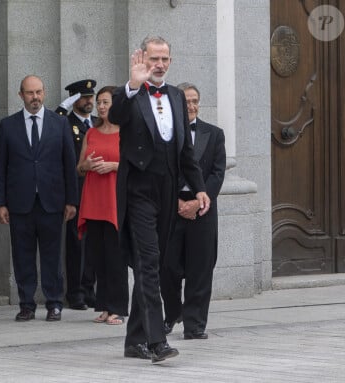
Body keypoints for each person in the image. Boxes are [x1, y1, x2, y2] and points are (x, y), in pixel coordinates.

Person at [108, 36, 211, 363]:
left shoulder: (178, 96)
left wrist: (199, 188)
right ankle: (156, 340)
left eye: (165, 59)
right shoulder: (128, 94)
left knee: (151, 266)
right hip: (138, 191)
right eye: (154, 58)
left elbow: (185, 152)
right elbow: (116, 117)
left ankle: (133, 341)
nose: (160, 64)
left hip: (167, 190)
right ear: (143, 59)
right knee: (149, 263)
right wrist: (132, 86)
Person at [0, 75, 78, 322]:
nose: (35, 98)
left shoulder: (59, 124)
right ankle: (27, 304)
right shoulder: (8, 125)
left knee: (52, 255)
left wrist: (72, 200)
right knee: (22, 255)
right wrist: (1, 202)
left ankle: (54, 303)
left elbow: (68, 163)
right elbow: (1, 166)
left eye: (39, 92)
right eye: (30, 93)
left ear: (44, 92)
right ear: (20, 95)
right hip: (20, 203)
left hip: (52, 201)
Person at [160, 82, 226, 340]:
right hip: (172, 206)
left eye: (195, 100)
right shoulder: (166, 134)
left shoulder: (215, 134)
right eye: (186, 101)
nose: (191, 105)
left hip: (203, 209)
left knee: (200, 269)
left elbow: (218, 172)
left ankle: (195, 324)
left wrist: (198, 202)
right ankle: (172, 313)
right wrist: (176, 201)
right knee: (168, 268)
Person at [77, 86, 128, 325]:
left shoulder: (126, 133)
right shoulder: (91, 133)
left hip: (114, 201)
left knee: (115, 257)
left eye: (106, 102)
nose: (101, 107)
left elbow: (135, 166)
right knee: (98, 256)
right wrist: (87, 164)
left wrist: (113, 166)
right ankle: (105, 306)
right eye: (99, 103)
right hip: (93, 200)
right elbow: (79, 168)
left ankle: (118, 307)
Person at [55, 79, 98, 310]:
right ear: (73, 99)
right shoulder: (66, 123)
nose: (89, 101)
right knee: (76, 244)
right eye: (83, 97)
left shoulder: (98, 124)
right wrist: (63, 107)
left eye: (91, 97)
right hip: (77, 191)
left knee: (94, 244)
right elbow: (51, 127)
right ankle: (75, 292)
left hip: (97, 192)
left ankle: (90, 289)